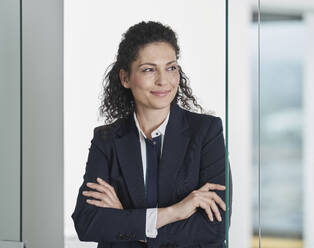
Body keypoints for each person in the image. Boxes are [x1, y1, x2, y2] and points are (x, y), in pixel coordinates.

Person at [71, 21, 233, 248]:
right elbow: (87, 223)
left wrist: (127, 219)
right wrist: (175, 212)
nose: (163, 80)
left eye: (171, 67)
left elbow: (214, 228)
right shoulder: (106, 139)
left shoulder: (206, 131)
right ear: (125, 78)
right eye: (148, 69)